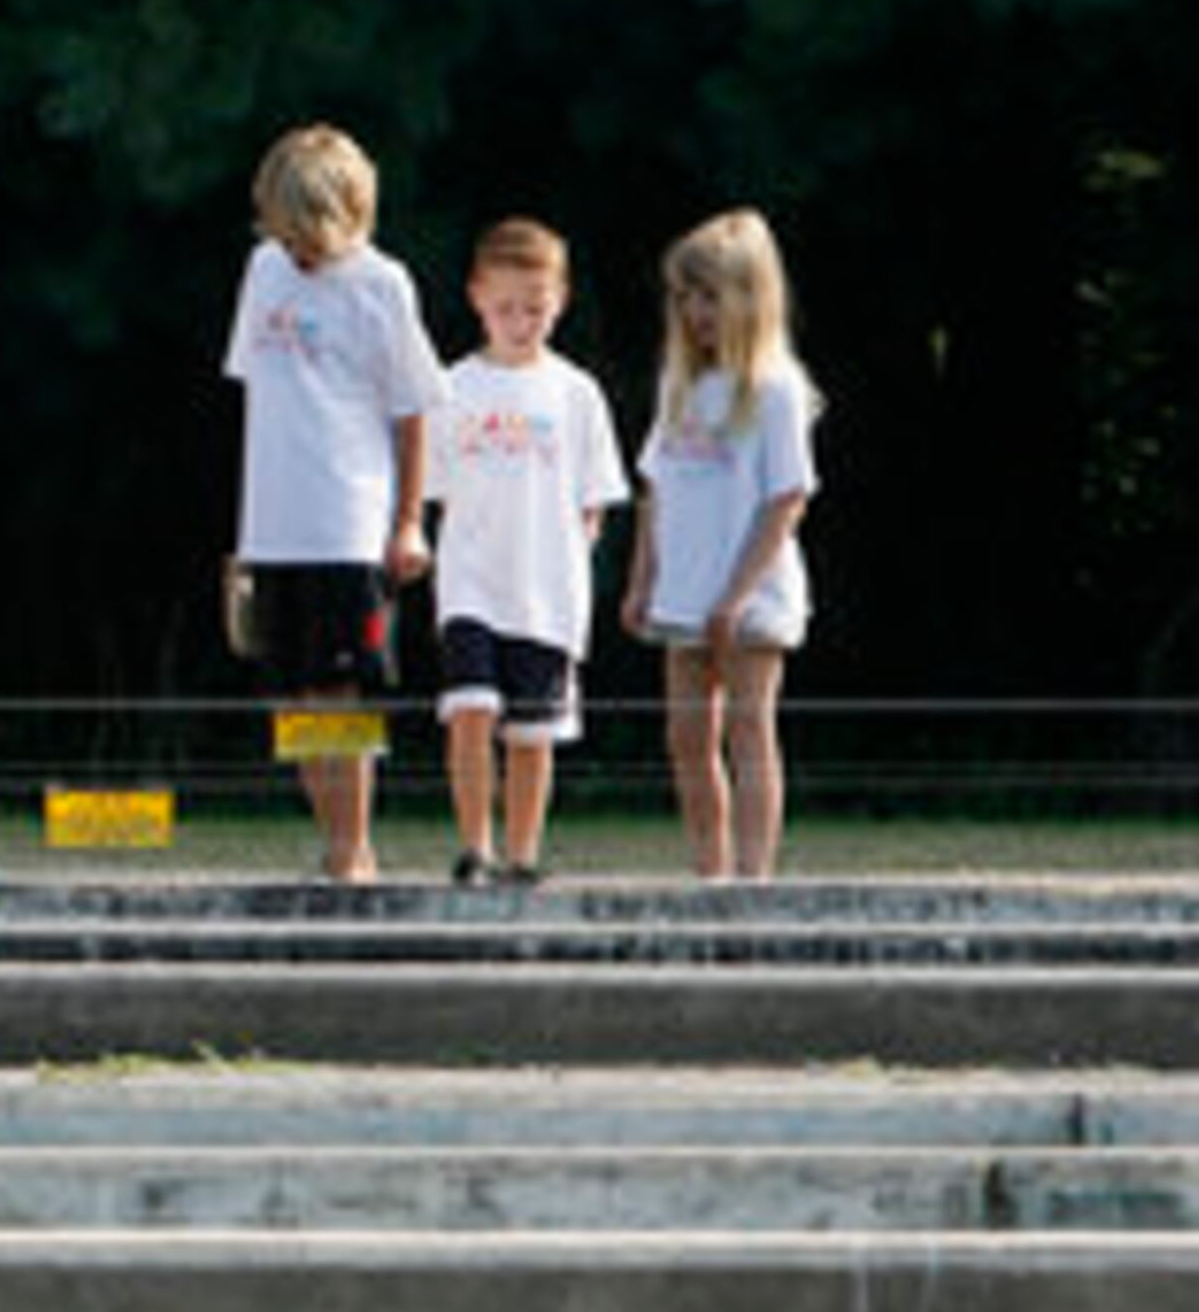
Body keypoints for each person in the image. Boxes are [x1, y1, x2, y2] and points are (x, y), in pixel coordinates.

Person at [223, 123, 443, 884]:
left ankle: (352, 853)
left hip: (349, 521)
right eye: (281, 234)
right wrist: (245, 536)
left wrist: (410, 520)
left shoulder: (383, 284)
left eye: (307, 236)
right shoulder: (263, 271)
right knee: (293, 702)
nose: (295, 251)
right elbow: (265, 395)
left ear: (350, 215)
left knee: (340, 696)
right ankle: (338, 846)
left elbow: (414, 409)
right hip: (273, 523)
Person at [422, 219, 627, 887]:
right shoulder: (451, 388)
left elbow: (594, 497)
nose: (520, 321)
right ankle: (475, 848)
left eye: (535, 308)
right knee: (472, 709)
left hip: (547, 591)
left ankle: (521, 854)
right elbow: (438, 492)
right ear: (477, 298)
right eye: (506, 307)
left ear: (559, 301)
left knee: (533, 735)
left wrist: (571, 556)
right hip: (471, 584)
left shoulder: (577, 394)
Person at [619, 206, 822, 882]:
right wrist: (642, 580)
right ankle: (709, 867)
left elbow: (786, 497)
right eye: (683, 298)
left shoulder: (775, 391)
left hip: (751, 597)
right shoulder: (681, 385)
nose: (695, 313)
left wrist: (736, 596)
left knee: (748, 732)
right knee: (687, 738)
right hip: (683, 592)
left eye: (708, 297)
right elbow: (656, 487)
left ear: (747, 298)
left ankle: (752, 873)